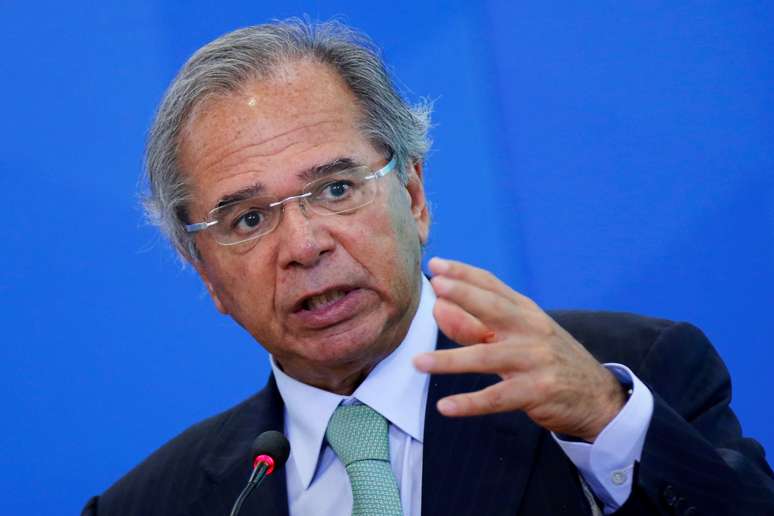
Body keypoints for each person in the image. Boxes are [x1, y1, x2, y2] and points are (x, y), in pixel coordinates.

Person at [82, 19, 774, 516]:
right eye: (250, 219)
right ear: (206, 274)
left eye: (335, 189)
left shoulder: (631, 373)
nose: (304, 244)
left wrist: (601, 417)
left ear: (412, 196)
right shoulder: (148, 503)